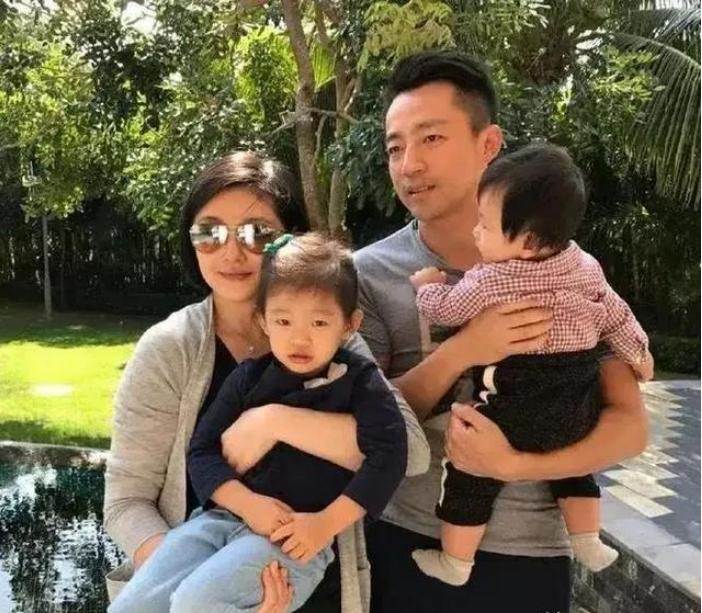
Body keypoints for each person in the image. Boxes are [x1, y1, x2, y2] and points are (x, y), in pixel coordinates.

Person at [353, 50, 648, 612]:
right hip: (404, 540)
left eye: (431, 138)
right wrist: (466, 349)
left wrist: (516, 466)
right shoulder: (369, 274)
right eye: (394, 147)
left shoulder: (567, 268)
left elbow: (630, 428)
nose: (409, 164)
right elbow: (364, 424)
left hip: (532, 554)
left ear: (489, 144)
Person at [103, 151, 430, 613]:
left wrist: (273, 421)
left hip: (312, 580)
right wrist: (207, 589)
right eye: (210, 232)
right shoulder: (170, 348)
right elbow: (127, 502)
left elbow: (408, 453)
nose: (231, 252)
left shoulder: (334, 341)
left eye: (257, 233)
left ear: (290, 242)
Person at [408, 142, 653, 586]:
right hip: (575, 400)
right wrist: (639, 353)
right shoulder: (585, 266)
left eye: (485, 225)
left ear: (530, 242)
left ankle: (456, 561)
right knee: (574, 467)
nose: (477, 233)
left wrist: (427, 287)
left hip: (514, 405)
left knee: (468, 472)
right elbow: (616, 314)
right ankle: (587, 539)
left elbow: (447, 309)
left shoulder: (493, 278)